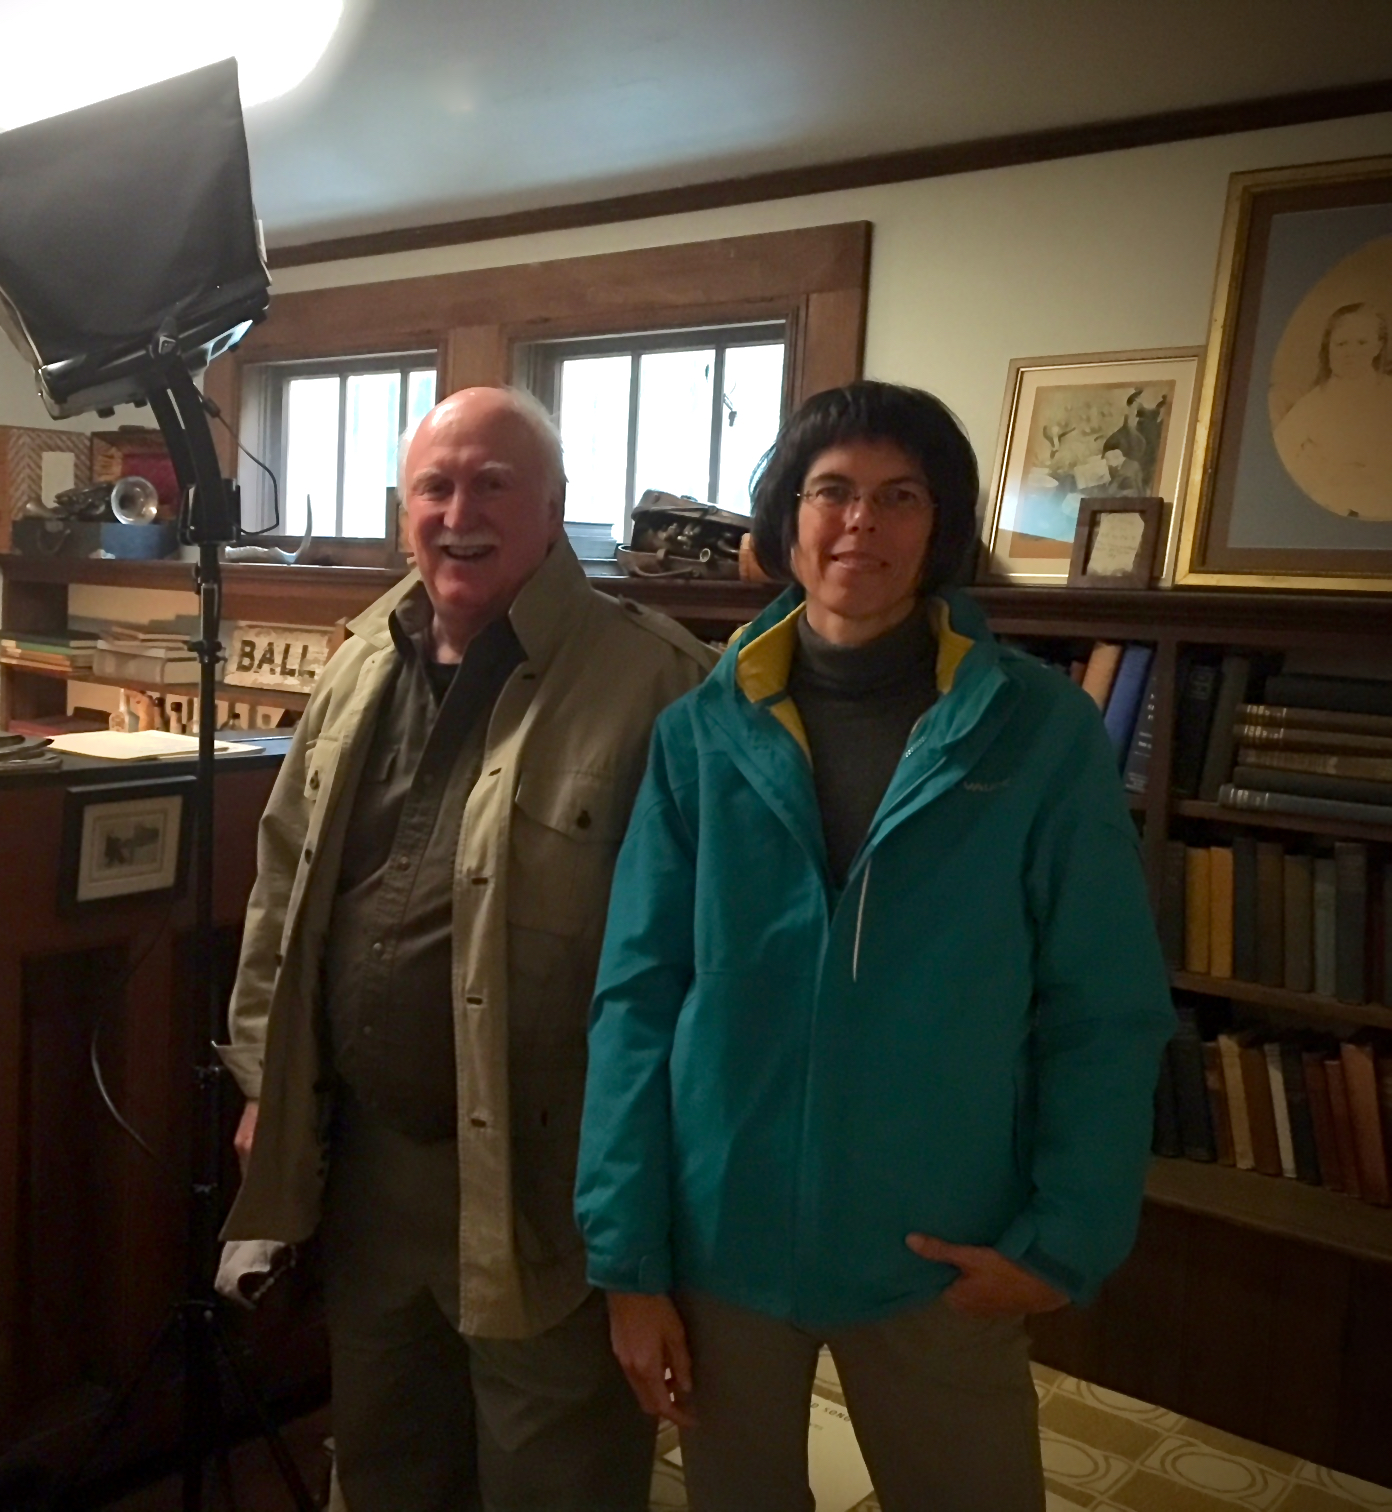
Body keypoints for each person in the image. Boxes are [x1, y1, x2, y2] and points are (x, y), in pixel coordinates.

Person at [577, 381, 1174, 1512]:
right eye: (832, 491)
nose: (861, 522)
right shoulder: (698, 733)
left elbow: (1103, 1005)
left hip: (943, 1247)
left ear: (939, 527)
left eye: (900, 496)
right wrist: (627, 1259)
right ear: (786, 520)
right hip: (723, 1241)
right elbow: (637, 998)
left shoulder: (1036, 732)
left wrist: (1063, 1239)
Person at [219, 385, 716, 1511]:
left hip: (553, 1190)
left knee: (554, 1477)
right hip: (370, 1172)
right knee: (386, 1466)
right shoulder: (357, 662)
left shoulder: (660, 682)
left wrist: (650, 1217)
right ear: (405, 511)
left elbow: (701, 968)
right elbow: (284, 886)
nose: (459, 513)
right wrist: (263, 1080)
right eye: (434, 488)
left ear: (555, 507)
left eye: (493, 484)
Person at [1272, 300, 1392, 520]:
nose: (1351, 352)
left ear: (1378, 346)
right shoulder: (1315, 402)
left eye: (1362, 342)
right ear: (1328, 347)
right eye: (1341, 344)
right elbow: (1283, 450)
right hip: (1335, 502)